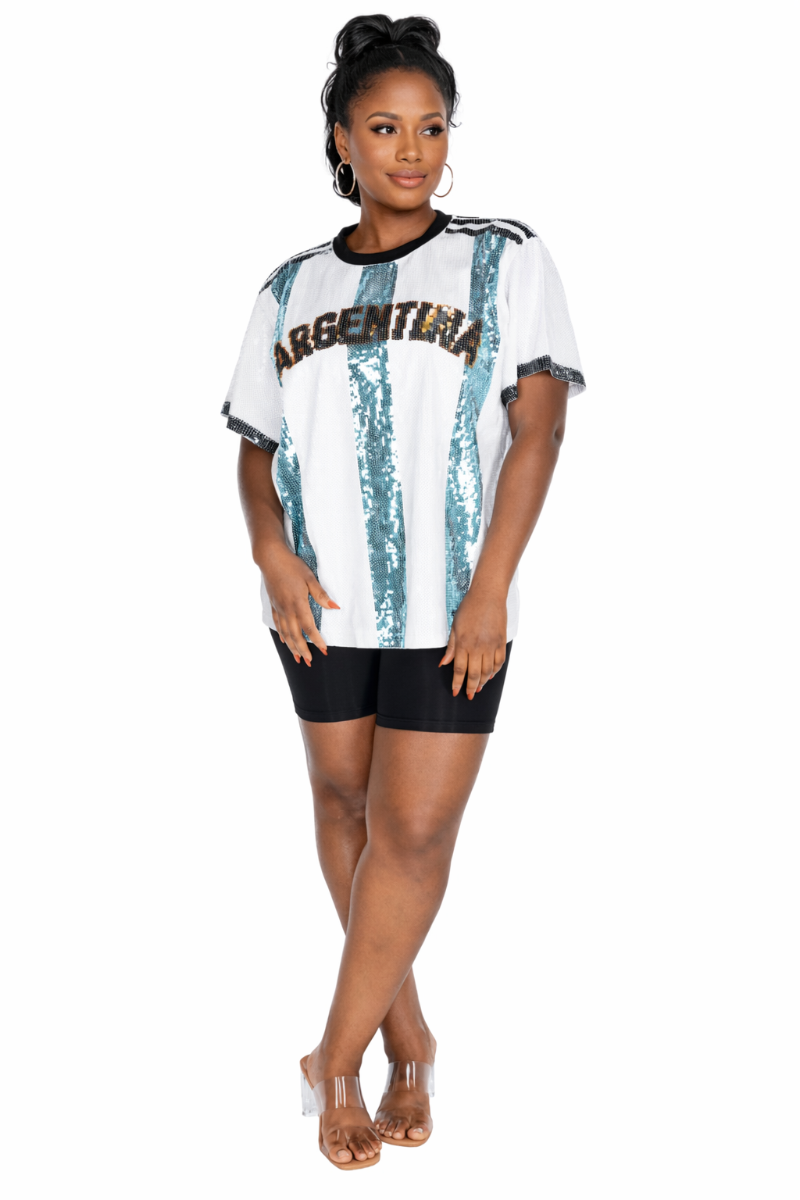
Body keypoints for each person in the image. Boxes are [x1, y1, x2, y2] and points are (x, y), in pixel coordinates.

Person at [222, 12, 585, 1170]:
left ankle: (331, 1058)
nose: (411, 150)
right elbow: (254, 450)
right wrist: (269, 554)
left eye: (431, 127)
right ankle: (408, 1035)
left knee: (414, 831)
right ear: (341, 139)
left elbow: (537, 430)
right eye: (383, 128)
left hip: (451, 605)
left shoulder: (504, 258)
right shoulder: (287, 287)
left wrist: (491, 590)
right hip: (319, 604)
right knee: (345, 810)